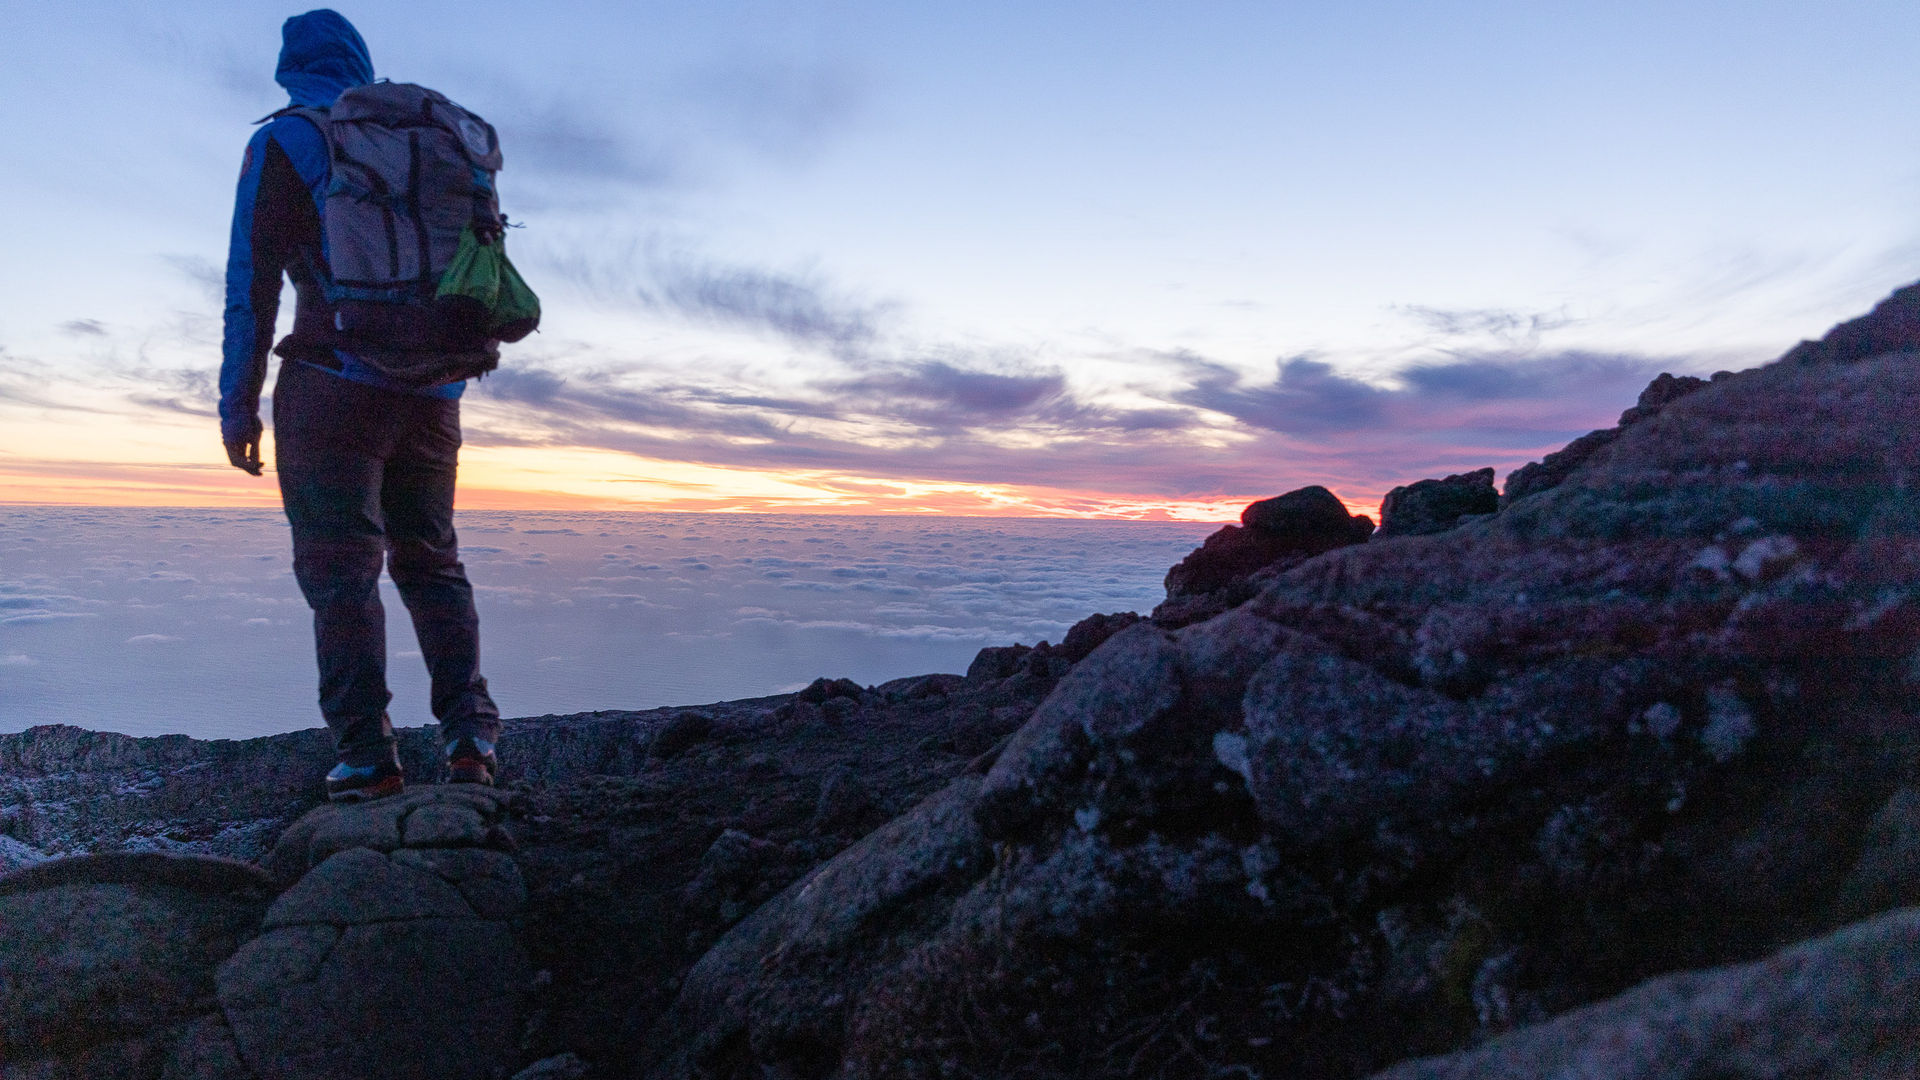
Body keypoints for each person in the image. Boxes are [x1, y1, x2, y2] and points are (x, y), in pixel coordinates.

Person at [219, 9, 501, 801]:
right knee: (432, 560)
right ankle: (471, 738)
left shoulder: (285, 141)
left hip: (333, 384)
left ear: (290, 69)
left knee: (341, 573)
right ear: (363, 63)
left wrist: (237, 405)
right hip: (434, 389)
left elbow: (252, 285)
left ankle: (366, 755)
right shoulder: (424, 139)